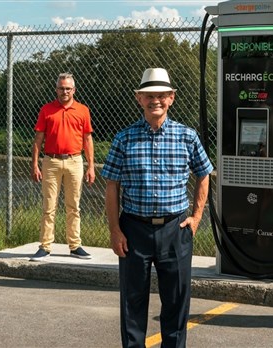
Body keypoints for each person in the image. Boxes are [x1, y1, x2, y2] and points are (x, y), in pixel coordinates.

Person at [101, 68, 213, 348]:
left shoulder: (187, 136)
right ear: (139, 99)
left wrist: (197, 217)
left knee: (176, 302)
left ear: (171, 98)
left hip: (175, 230)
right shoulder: (124, 139)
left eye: (162, 95)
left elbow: (204, 174)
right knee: (132, 302)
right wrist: (115, 230)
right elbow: (111, 186)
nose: (156, 101)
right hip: (133, 230)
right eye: (149, 95)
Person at [30, 73, 95, 261]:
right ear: (56, 89)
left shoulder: (83, 110)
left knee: (73, 206)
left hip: (75, 161)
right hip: (51, 161)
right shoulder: (46, 110)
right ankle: (45, 246)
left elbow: (87, 139)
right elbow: (38, 139)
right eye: (61, 88)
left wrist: (91, 166)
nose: (64, 91)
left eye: (68, 88)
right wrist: (35, 164)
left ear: (74, 90)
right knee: (49, 206)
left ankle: (75, 246)